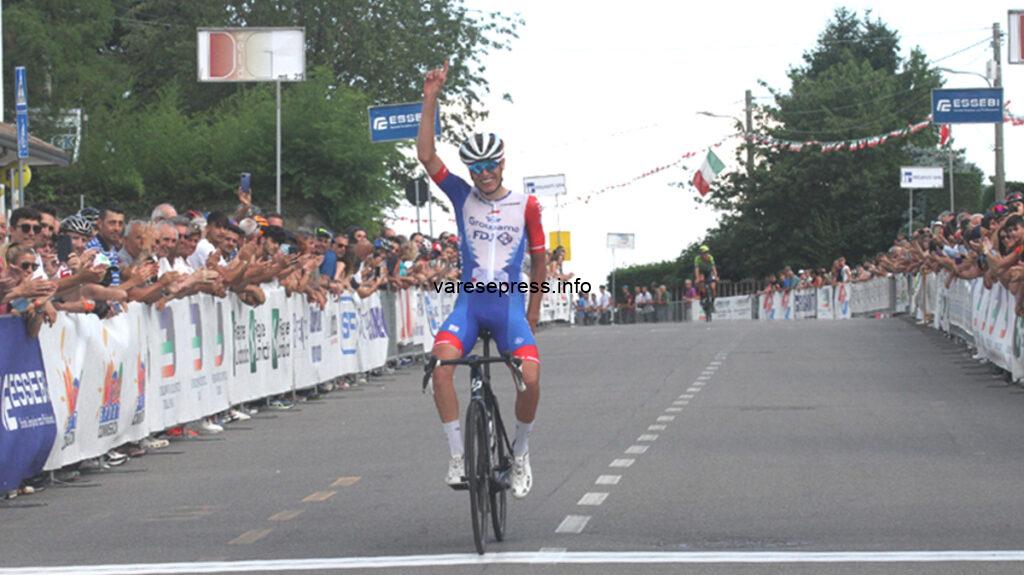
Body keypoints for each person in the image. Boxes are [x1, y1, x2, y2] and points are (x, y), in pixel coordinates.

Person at [418, 60, 545, 498]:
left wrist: (532, 312)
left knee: (529, 379)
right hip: (470, 304)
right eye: (476, 167)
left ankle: (521, 455)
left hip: (508, 306)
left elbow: (540, 260)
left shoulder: (526, 205)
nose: (484, 172)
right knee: (440, 368)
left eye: (490, 164)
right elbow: (427, 157)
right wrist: (429, 98)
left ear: (502, 162)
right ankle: (457, 457)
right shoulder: (461, 195)